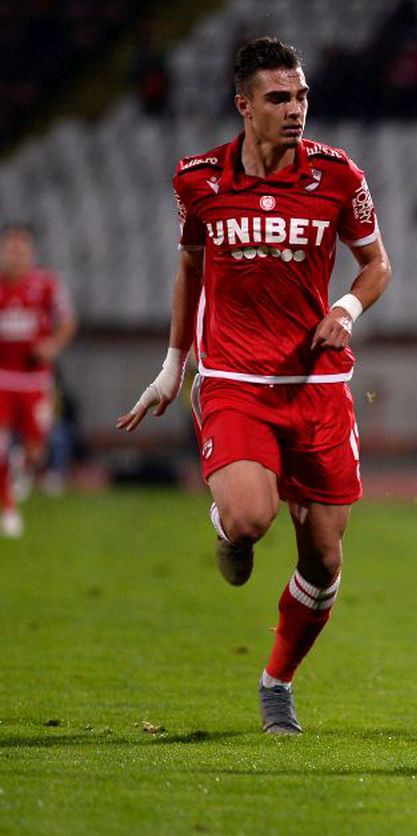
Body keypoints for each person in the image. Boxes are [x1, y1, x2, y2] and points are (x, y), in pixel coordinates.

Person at [115, 37, 392, 734]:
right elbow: (188, 271)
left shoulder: (337, 175)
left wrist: (345, 309)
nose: (295, 109)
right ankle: (227, 528)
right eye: (278, 98)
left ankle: (277, 681)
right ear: (244, 105)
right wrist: (173, 366)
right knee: (249, 516)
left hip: (319, 385)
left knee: (324, 560)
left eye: (300, 96)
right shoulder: (198, 180)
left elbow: (376, 266)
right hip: (236, 379)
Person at [0, 224, 77, 536]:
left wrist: (53, 345)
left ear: (30, 253)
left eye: (22, 249)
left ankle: (21, 468)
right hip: (3, 378)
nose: (16, 255)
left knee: (36, 449)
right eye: (11, 248)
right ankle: (8, 508)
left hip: (36, 381)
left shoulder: (46, 285)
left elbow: (68, 320)